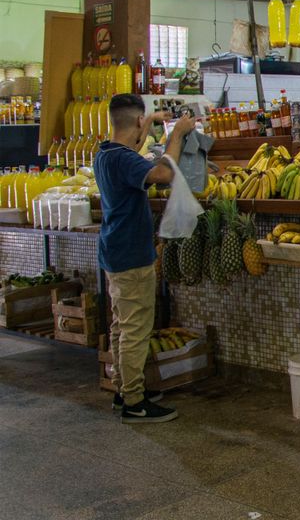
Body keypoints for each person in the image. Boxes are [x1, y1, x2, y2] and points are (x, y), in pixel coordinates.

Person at [94, 94, 195, 423]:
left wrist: (150, 121)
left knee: (121, 326)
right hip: (131, 254)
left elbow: (134, 149)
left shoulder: (105, 154)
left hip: (114, 249)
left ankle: (124, 390)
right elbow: (163, 174)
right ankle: (135, 402)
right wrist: (176, 134)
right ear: (137, 122)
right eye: (144, 121)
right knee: (135, 330)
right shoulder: (125, 160)